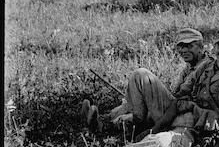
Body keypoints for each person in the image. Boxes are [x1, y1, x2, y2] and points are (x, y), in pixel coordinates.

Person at [70, 25, 219, 147]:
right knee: (141, 80)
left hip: (201, 128)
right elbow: (181, 93)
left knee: (160, 144)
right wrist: (159, 123)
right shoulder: (206, 68)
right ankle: (122, 128)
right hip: (181, 115)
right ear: (214, 47)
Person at [81, 27, 210, 135]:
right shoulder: (191, 65)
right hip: (176, 108)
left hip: (183, 114)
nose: (183, 50)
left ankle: (134, 122)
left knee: (141, 75)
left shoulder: (206, 67)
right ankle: (104, 122)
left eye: (189, 46)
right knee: (135, 102)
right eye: (181, 47)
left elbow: (187, 97)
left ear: (201, 47)